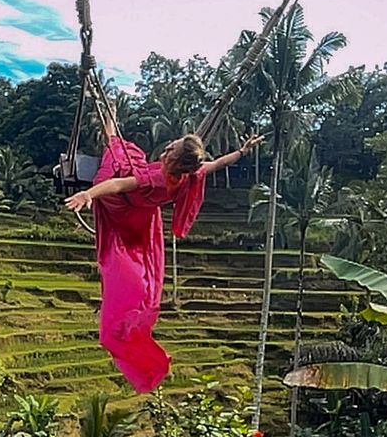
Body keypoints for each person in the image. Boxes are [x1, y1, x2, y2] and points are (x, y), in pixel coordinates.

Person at [65, 115, 263, 393]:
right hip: (144, 221)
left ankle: (108, 118)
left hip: (121, 214)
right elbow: (217, 164)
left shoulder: (155, 179)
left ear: (175, 162)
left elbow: (117, 186)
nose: (168, 147)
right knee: (121, 149)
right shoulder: (189, 176)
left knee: (117, 153)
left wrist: (88, 194)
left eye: (172, 148)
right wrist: (242, 152)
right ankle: (108, 116)